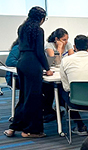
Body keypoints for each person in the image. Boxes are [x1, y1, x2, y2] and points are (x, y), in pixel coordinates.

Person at [4, 6, 53, 139]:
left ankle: (14, 127)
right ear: (41, 18)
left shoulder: (22, 28)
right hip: (33, 64)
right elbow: (39, 52)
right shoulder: (39, 30)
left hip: (22, 62)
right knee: (34, 98)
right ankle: (31, 130)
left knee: (24, 96)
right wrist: (47, 68)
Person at [60, 35, 88, 135]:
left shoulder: (65, 60)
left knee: (62, 91)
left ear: (74, 47)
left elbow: (66, 87)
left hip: (76, 102)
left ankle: (80, 126)